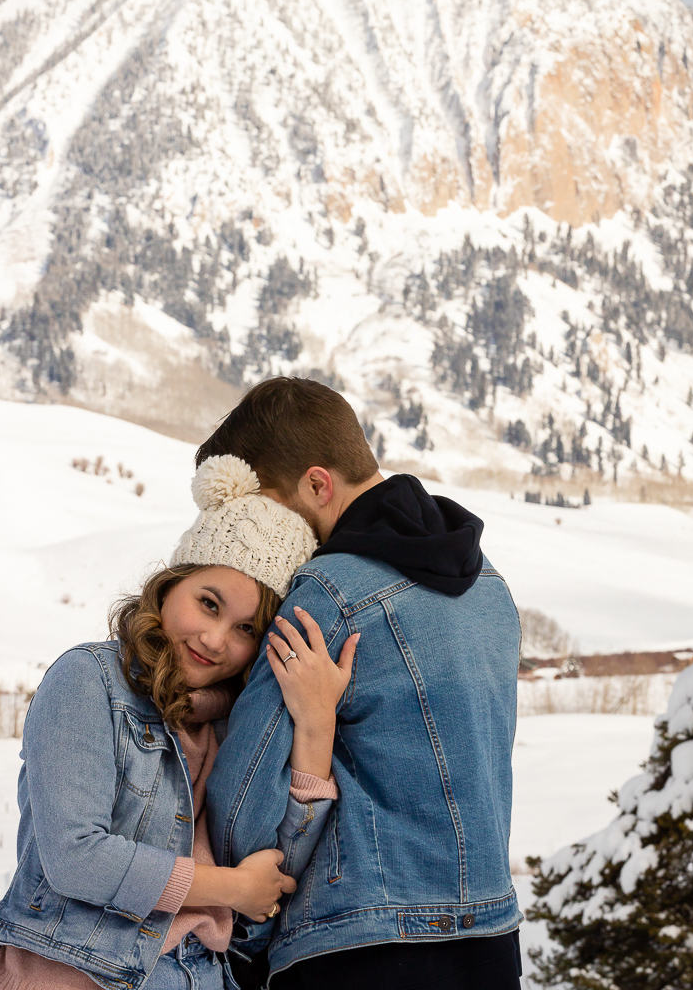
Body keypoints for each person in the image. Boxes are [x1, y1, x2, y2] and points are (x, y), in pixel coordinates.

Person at [0, 454, 359, 990]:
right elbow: (75, 856)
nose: (215, 640)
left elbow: (278, 868)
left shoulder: (232, 725)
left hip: (198, 974)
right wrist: (230, 889)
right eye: (208, 604)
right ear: (169, 587)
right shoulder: (88, 679)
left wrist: (316, 724)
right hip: (80, 971)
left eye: (245, 629)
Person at [205, 377, 523, 989]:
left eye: (266, 505)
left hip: (357, 946)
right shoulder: (491, 587)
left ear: (318, 485)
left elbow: (241, 806)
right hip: (490, 935)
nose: (262, 528)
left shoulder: (325, 595)